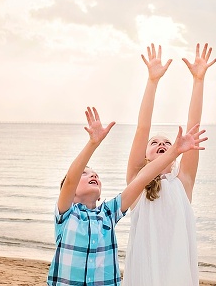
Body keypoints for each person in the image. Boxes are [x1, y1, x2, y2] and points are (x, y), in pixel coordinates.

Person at [47, 106, 207, 286]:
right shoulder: (66, 215)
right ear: (70, 192)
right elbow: (70, 180)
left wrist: (175, 152)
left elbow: (142, 179)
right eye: (85, 174)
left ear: (100, 196)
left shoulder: (108, 214)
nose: (93, 175)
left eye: (95, 175)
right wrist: (93, 143)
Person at [123, 43, 216, 286]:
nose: (161, 143)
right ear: (145, 155)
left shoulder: (182, 181)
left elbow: (193, 125)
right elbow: (142, 128)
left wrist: (198, 81)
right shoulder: (138, 182)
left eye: (167, 142)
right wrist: (152, 82)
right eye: (154, 143)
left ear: (176, 153)